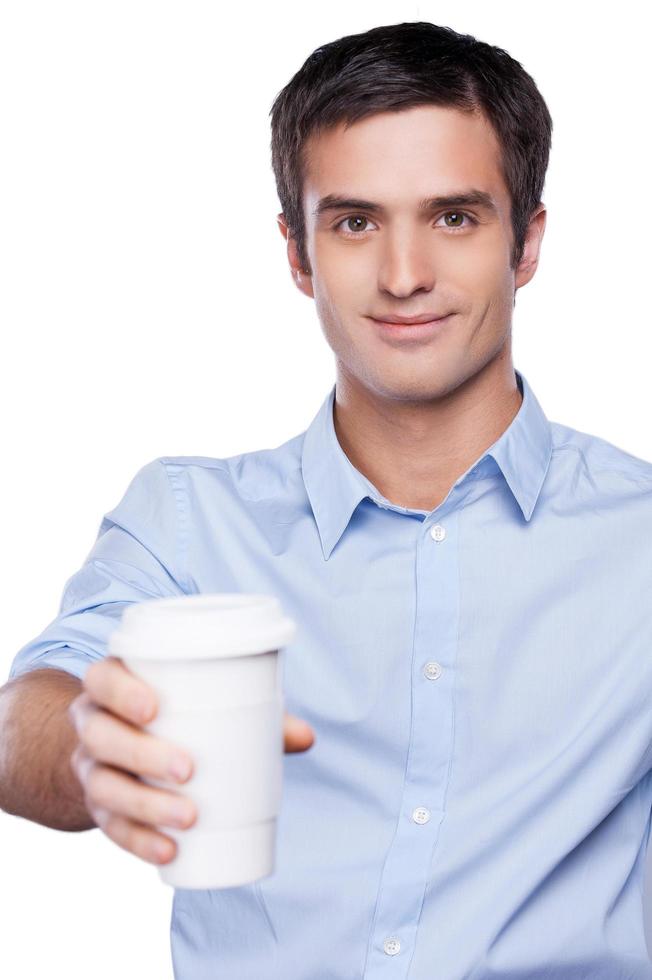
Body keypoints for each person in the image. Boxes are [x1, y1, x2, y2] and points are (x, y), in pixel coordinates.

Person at [1, 18, 652, 979]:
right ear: (298, 255)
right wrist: (92, 754)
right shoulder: (191, 520)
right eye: (354, 222)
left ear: (527, 243)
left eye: (454, 217)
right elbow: (26, 716)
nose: (402, 277)